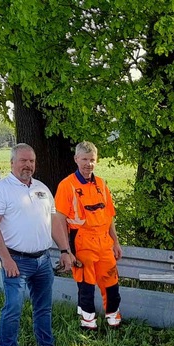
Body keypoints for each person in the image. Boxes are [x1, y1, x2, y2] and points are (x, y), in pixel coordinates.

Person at [0, 143, 75, 346]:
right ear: (12, 163)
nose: (28, 165)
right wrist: (6, 259)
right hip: (17, 261)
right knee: (13, 307)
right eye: (23, 160)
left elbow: (54, 222)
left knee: (43, 308)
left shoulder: (42, 189)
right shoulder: (0, 190)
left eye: (31, 161)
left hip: (43, 260)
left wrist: (65, 250)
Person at [53, 141, 123, 331]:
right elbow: (58, 220)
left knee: (111, 283)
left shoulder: (101, 183)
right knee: (86, 286)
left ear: (96, 160)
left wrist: (115, 242)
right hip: (82, 242)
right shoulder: (66, 186)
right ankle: (88, 324)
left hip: (104, 242)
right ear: (76, 159)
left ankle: (114, 321)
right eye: (84, 159)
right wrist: (66, 250)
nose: (88, 164)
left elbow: (109, 216)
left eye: (92, 160)